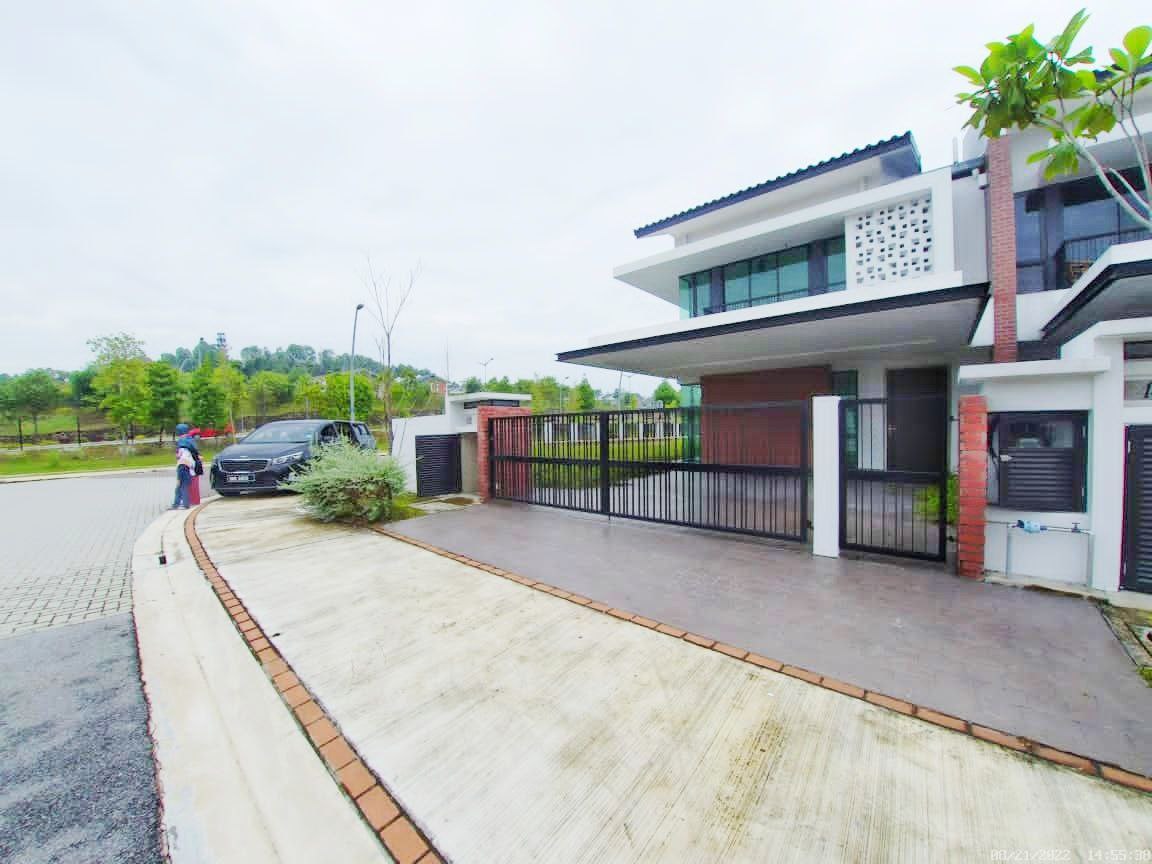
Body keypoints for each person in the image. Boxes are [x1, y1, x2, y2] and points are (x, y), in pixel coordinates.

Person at [172, 436, 195, 509]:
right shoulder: (188, 452)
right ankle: (177, 505)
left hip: (182, 470)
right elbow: (192, 465)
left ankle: (185, 505)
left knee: (182, 488)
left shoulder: (181, 452)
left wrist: (178, 479)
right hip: (188, 471)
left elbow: (181, 466)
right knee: (180, 489)